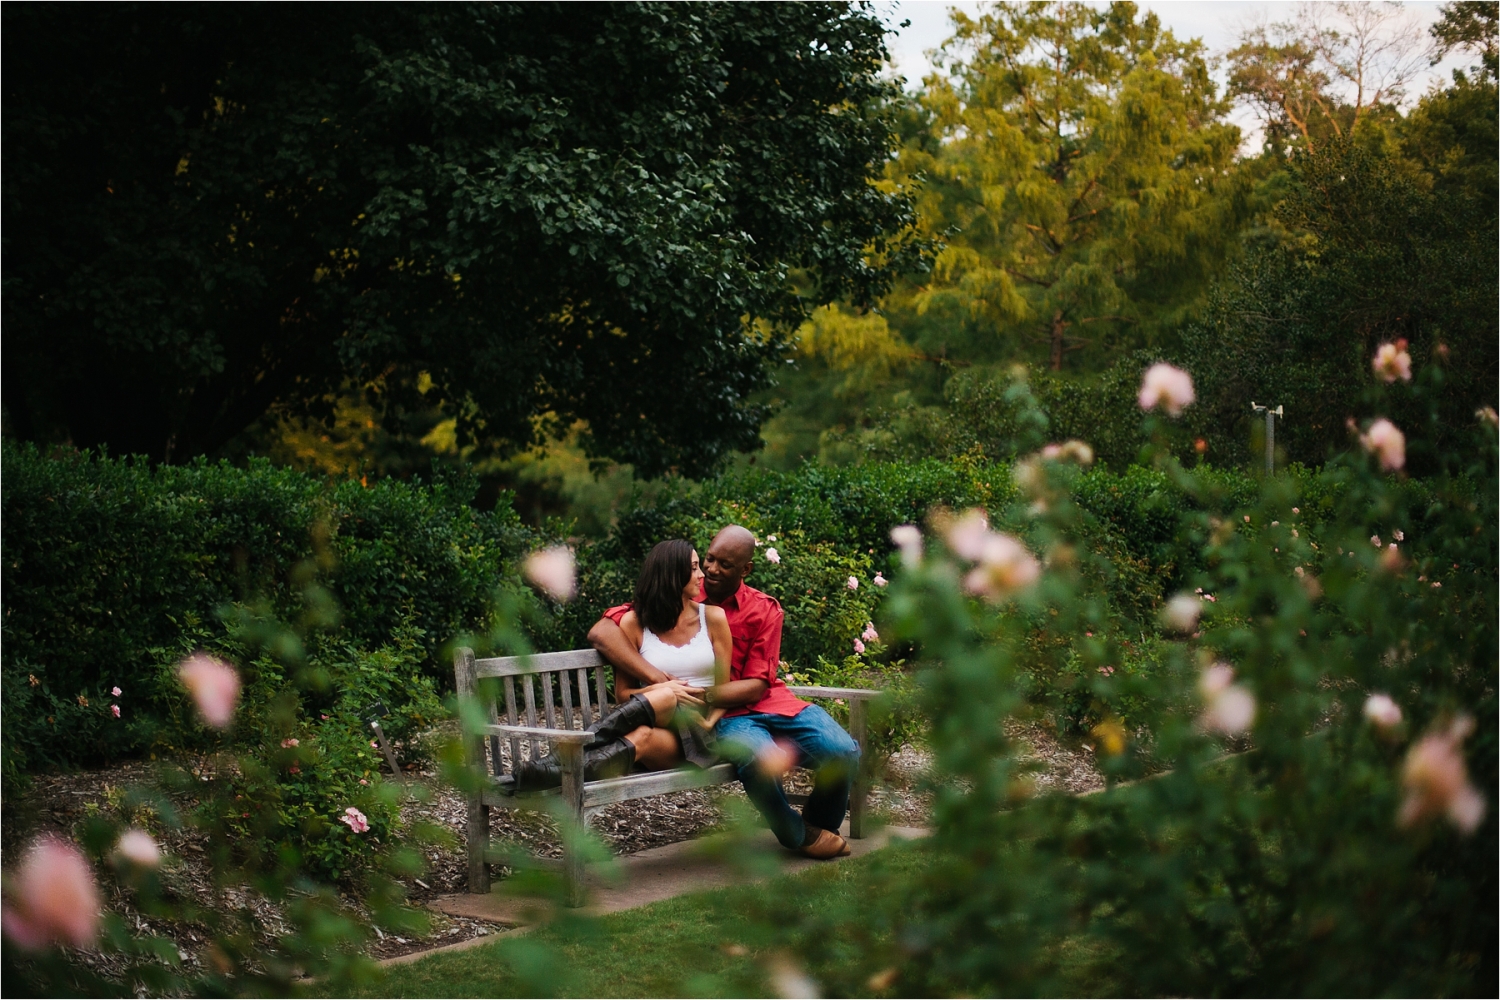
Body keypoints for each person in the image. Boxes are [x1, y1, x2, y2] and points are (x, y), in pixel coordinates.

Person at [590, 525, 859, 860]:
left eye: (724, 565)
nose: (711, 571)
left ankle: (817, 827)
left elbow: (759, 683)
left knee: (843, 751)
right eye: (709, 559)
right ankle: (799, 835)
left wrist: (700, 695)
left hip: (768, 702)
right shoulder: (682, 593)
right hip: (729, 718)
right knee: (761, 762)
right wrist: (661, 680)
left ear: (745, 569)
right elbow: (604, 630)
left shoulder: (764, 609)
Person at [502, 539, 729, 793]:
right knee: (647, 726)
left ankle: (559, 757)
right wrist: (665, 691)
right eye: (694, 567)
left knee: (665, 694)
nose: (702, 574)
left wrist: (709, 722)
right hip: (663, 726)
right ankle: (549, 774)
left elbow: (724, 688)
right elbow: (623, 694)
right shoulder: (635, 623)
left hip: (701, 735)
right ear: (672, 575)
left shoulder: (713, 617)